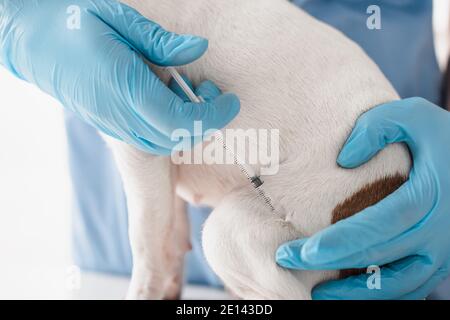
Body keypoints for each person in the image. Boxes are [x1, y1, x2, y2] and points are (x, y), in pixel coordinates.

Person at [0, 0, 448, 299]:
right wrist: (14, 18)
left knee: (218, 236)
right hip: (331, 176)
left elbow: (137, 138)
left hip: (361, 192)